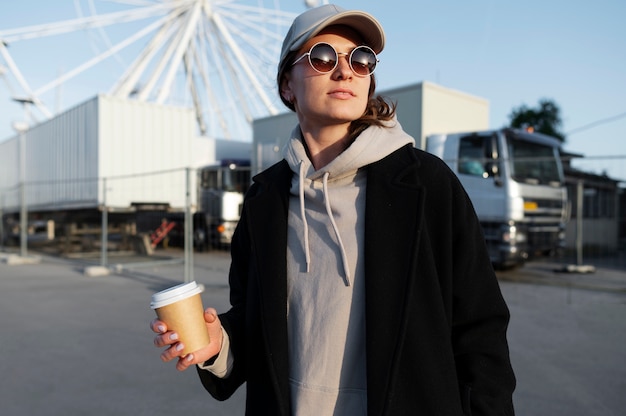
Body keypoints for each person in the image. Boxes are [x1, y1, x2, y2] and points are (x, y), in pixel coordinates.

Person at [151, 4, 516, 415]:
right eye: (323, 57)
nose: (346, 71)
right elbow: (257, 333)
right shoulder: (263, 200)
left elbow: (480, 329)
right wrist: (218, 343)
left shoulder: (427, 185)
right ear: (287, 85)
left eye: (361, 60)